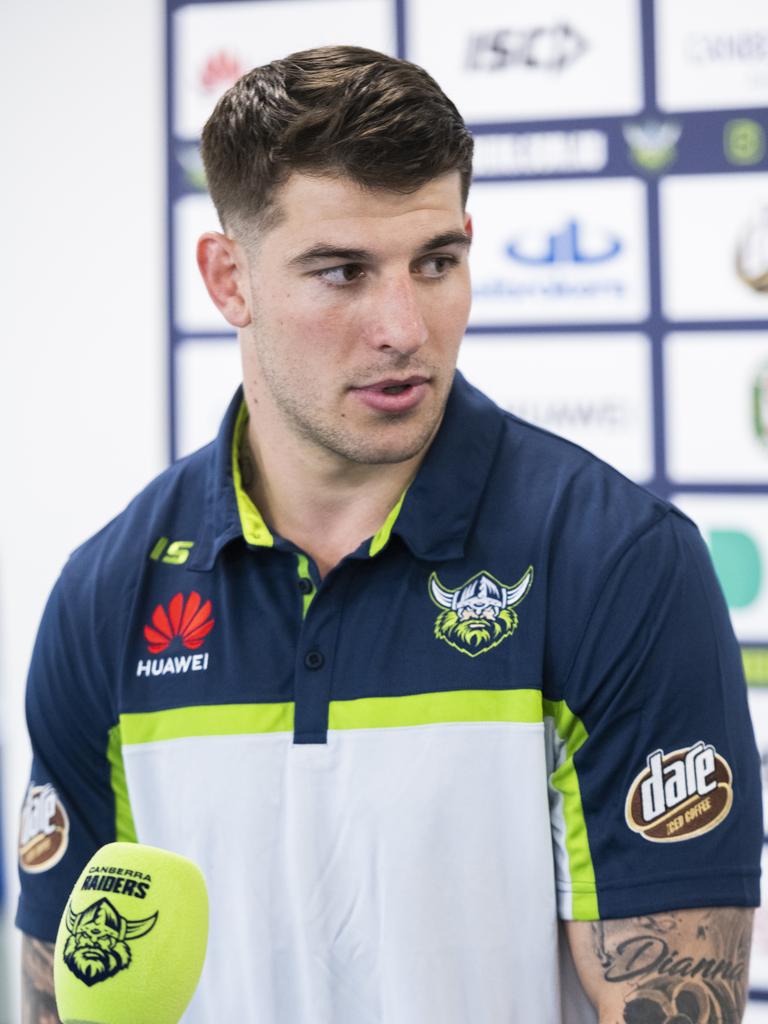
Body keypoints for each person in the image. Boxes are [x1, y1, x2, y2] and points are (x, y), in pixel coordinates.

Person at [17, 45, 761, 1024]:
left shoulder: (619, 563)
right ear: (228, 278)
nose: (405, 326)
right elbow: (63, 994)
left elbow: (672, 996)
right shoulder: (107, 594)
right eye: (342, 273)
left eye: (437, 263)